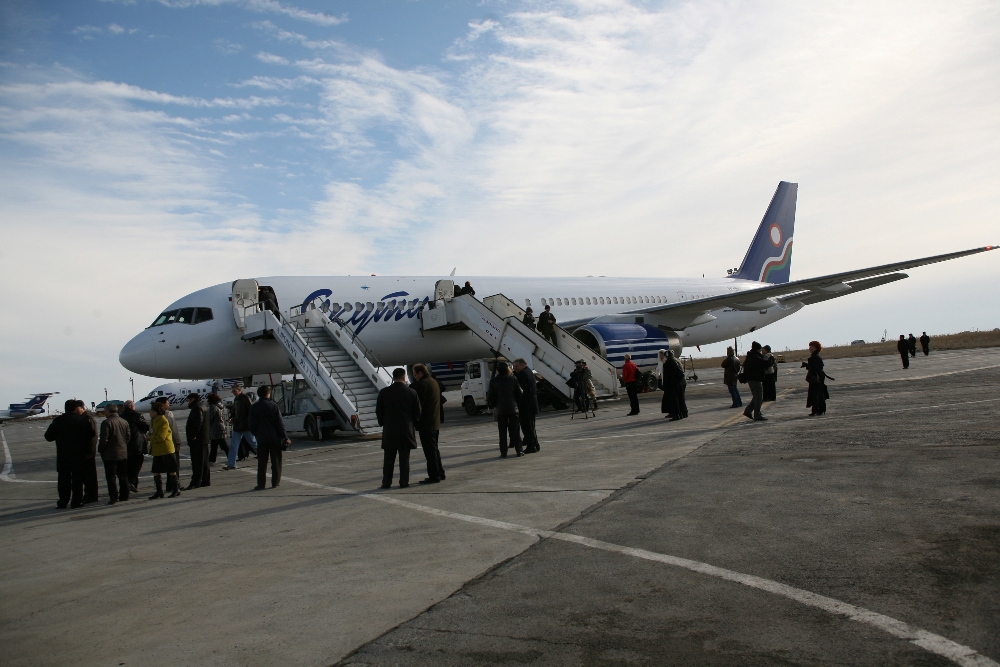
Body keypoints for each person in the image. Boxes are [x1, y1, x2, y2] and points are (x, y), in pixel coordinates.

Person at [44, 399, 97, 509]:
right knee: (77, 480)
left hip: (63, 455)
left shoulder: (58, 421)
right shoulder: (83, 420)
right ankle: (76, 501)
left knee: (63, 480)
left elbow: (48, 437)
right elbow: (91, 435)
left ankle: (63, 502)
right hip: (79, 455)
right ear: (76, 408)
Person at [376, 367, 421, 488]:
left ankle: (386, 482)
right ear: (404, 377)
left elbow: (379, 411)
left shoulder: (384, 392)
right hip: (405, 430)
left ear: (393, 377)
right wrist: (414, 425)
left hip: (389, 430)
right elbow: (417, 413)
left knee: (388, 459)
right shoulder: (412, 392)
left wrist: (383, 423)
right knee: (404, 460)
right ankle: (404, 482)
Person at [248, 385, 290, 490]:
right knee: (276, 461)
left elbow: (251, 424)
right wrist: (284, 437)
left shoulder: (254, 407)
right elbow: (280, 423)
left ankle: (261, 484)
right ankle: (275, 482)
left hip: (261, 437)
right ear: (268, 394)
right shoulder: (273, 405)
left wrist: (257, 433)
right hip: (274, 437)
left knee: (262, 462)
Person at [412, 364, 445, 484]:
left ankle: (434, 475)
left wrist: (415, 420)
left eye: (415, 374)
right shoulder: (433, 381)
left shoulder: (423, 384)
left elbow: (419, 405)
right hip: (434, 421)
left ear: (420, 373)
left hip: (426, 423)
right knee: (434, 449)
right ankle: (440, 472)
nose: (414, 377)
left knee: (429, 451)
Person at [97, 403, 131, 505]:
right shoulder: (124, 422)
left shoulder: (106, 423)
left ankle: (113, 496)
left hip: (110, 454)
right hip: (123, 452)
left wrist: (101, 449)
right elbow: (128, 436)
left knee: (111, 477)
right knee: (123, 476)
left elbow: (104, 439)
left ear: (108, 411)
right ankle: (125, 495)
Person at [488, 362, 523, 458]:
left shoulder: (493, 381)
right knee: (515, 431)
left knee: (502, 432)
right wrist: (516, 403)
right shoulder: (513, 379)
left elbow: (490, 397)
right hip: (513, 408)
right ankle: (519, 451)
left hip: (501, 409)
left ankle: (503, 452)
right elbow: (520, 393)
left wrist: (495, 405)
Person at [148, 401, 180, 499]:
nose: (150, 413)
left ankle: (176, 489)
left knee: (171, 470)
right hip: (157, 450)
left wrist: (150, 438)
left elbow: (161, 437)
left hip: (166, 449)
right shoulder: (153, 421)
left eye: (151, 411)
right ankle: (159, 491)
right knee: (156, 470)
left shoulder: (163, 421)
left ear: (156, 412)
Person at [153, 397, 183, 488]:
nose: (168, 405)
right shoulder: (168, 414)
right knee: (174, 465)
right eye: (167, 403)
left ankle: (168, 485)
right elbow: (174, 429)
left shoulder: (155, 417)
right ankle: (174, 485)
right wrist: (178, 441)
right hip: (170, 443)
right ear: (162, 404)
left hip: (160, 445)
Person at [225, 384, 257, 470]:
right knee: (233, 445)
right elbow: (234, 411)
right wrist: (231, 418)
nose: (233, 393)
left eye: (234, 391)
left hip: (245, 426)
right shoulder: (236, 399)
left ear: (239, 390)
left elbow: (250, 411)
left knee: (253, 442)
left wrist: (249, 422)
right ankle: (231, 464)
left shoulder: (245, 398)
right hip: (237, 425)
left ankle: (263, 455)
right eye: (233, 391)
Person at [120, 400, 149, 493]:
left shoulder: (121, 416)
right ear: (132, 406)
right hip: (137, 443)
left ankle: (130, 484)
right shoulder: (137, 415)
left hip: (125, 444)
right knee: (137, 464)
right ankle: (131, 483)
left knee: (128, 466)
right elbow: (147, 426)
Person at [512, 358, 540, 453]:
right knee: (531, 427)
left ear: (523, 365)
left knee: (527, 427)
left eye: (516, 366)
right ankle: (535, 444)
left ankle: (531, 446)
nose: (514, 368)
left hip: (526, 405)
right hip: (530, 404)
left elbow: (524, 390)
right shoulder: (527, 371)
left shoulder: (523, 374)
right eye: (514, 366)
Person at [184, 393, 211, 489]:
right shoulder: (204, 406)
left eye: (188, 400)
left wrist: (192, 435)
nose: (188, 403)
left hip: (198, 440)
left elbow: (198, 422)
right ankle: (205, 480)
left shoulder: (196, 408)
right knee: (204, 461)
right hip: (204, 438)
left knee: (197, 462)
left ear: (192, 399)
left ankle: (195, 482)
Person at [741, 341, 767, 421]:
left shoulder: (750, 356)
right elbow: (765, 364)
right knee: (759, 397)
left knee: (756, 397)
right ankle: (757, 414)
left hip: (751, 379)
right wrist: (771, 360)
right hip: (755, 379)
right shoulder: (755, 357)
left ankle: (748, 411)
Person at [802, 341, 828, 416]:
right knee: (817, 393)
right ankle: (819, 409)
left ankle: (817, 410)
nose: (809, 348)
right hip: (818, 376)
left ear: (815, 348)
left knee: (816, 394)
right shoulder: (816, 356)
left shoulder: (815, 357)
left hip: (816, 377)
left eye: (811, 347)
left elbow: (815, 367)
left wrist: (808, 365)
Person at [82, 404, 100, 504]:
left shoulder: (88, 419)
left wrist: (90, 451)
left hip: (88, 453)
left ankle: (91, 495)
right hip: (87, 452)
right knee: (87, 476)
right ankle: (89, 494)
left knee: (90, 476)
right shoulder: (85, 419)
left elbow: (93, 436)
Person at [659, 350, 683, 420]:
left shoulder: (668, 363)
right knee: (677, 400)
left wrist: (673, 382)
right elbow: (680, 374)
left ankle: (676, 414)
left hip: (671, 385)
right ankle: (678, 414)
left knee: (674, 401)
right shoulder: (674, 362)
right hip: (673, 384)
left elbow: (669, 376)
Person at [207, 393, 229, 464]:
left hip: (215, 428)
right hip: (221, 426)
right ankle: (211, 459)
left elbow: (210, 418)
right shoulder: (220, 406)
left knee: (223, 445)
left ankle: (231, 457)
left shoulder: (213, 407)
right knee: (214, 445)